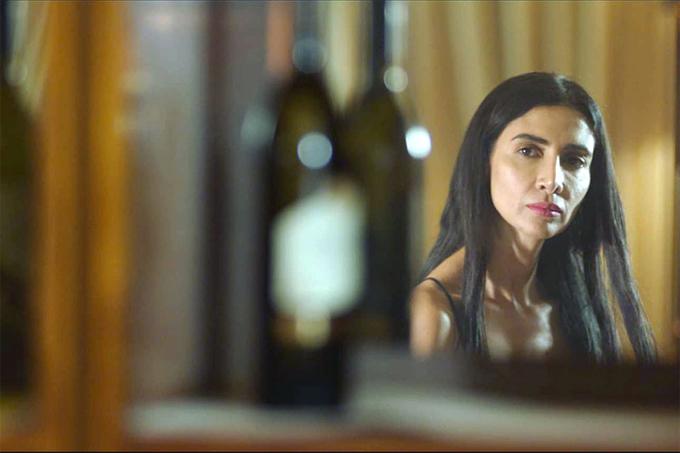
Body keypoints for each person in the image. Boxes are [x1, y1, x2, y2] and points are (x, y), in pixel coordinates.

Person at [409, 72, 656, 364]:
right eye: (528, 151)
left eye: (574, 160)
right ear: (485, 161)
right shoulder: (435, 313)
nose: (552, 181)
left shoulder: (576, 309)